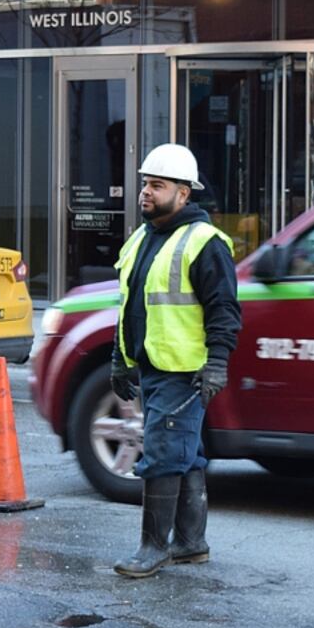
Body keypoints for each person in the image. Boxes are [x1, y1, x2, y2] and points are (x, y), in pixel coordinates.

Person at [110, 143, 242, 579]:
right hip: (153, 365)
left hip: (183, 370)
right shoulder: (142, 238)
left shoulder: (205, 243)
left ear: (184, 194)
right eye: (145, 184)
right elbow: (129, 304)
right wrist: (120, 359)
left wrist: (217, 362)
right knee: (186, 453)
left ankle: (153, 548)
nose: (146, 192)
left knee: (163, 454)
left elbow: (224, 310)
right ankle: (190, 543)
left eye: (157, 185)